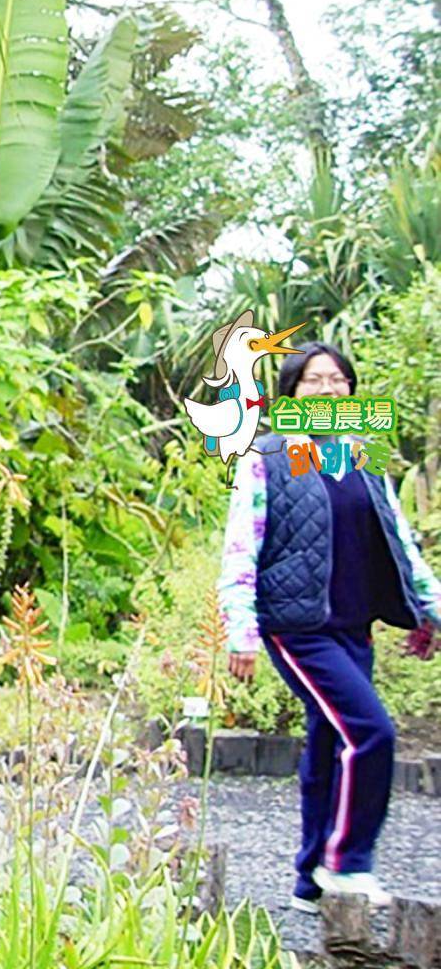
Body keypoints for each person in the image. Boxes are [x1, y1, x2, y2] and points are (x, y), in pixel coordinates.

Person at [218, 342, 441, 913]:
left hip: (353, 627)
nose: (327, 389)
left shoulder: (359, 456)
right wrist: (240, 629)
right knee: (372, 733)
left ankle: (309, 883)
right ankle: (348, 865)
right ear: (291, 392)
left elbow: (400, 544)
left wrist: (427, 608)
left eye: (337, 380)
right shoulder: (268, 455)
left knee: (328, 746)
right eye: (313, 380)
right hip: (298, 627)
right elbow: (243, 545)